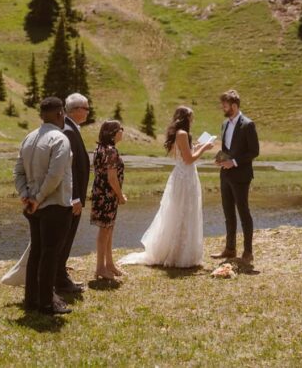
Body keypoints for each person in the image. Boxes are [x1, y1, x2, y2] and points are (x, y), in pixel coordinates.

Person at [120, 106, 216, 268]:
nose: (192, 121)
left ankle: (181, 251)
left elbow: (187, 155)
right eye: (191, 118)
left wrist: (200, 146)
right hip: (185, 176)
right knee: (183, 211)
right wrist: (205, 148)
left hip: (184, 175)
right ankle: (178, 254)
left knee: (181, 210)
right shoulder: (182, 134)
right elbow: (189, 159)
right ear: (185, 118)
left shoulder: (179, 134)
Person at [12, 97, 73, 315]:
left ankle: (31, 299)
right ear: (60, 114)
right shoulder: (60, 139)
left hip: (33, 207)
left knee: (37, 251)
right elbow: (55, 175)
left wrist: (26, 195)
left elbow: (18, 172)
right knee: (50, 254)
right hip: (54, 205)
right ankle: (46, 303)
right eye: (63, 114)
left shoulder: (28, 138)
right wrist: (38, 197)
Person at [212, 89, 260, 264]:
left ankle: (248, 252)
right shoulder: (224, 124)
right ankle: (230, 249)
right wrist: (221, 159)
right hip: (225, 175)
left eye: (225, 105)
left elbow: (254, 151)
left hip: (241, 175)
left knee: (243, 212)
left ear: (234, 105)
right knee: (228, 213)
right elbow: (227, 149)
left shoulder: (248, 124)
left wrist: (235, 162)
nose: (223, 108)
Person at [55, 93, 90, 295]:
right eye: (86, 108)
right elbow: (69, 169)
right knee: (64, 239)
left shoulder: (70, 128)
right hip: (70, 198)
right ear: (76, 110)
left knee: (66, 238)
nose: (88, 112)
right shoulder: (68, 130)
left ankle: (60, 274)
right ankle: (60, 280)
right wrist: (75, 197)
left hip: (72, 196)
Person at [90, 120, 126, 280]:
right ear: (112, 133)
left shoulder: (100, 149)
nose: (122, 132)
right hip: (107, 194)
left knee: (108, 228)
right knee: (105, 229)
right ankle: (100, 268)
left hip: (100, 192)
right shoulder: (111, 151)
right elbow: (112, 178)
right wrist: (120, 195)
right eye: (120, 129)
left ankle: (109, 264)